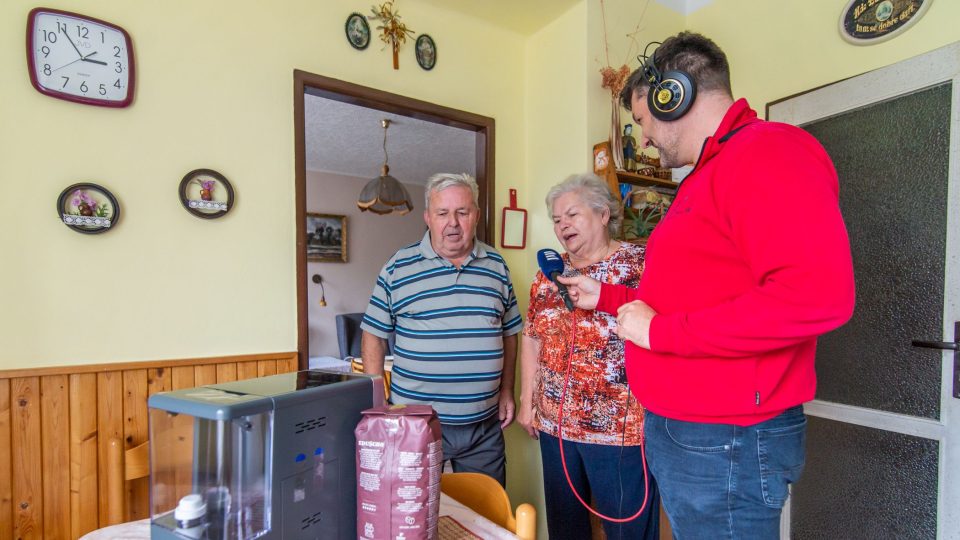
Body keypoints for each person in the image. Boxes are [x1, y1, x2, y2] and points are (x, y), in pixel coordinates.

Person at [558, 32, 855, 538]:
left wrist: (661, 335)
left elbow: (816, 296)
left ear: (673, 95)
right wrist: (605, 297)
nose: (645, 139)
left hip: (726, 439)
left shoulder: (769, 152)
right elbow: (683, 303)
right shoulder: (706, 176)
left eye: (642, 120)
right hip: (696, 434)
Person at [517, 173, 660, 540]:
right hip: (556, 428)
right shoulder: (546, 274)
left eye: (572, 215)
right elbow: (531, 337)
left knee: (628, 532)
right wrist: (526, 399)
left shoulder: (642, 264)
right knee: (566, 530)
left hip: (621, 431)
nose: (562, 225)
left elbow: (664, 328)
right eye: (556, 219)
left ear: (602, 214)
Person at [360, 172, 522, 486]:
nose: (453, 223)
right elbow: (374, 335)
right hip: (415, 424)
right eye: (442, 213)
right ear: (428, 218)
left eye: (462, 212)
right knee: (412, 518)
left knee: (485, 516)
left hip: (484, 428)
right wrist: (377, 402)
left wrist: (506, 390)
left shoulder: (497, 266)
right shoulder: (398, 267)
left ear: (475, 215)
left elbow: (510, 332)